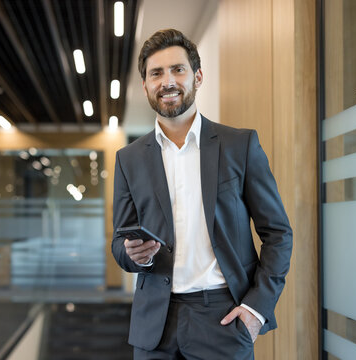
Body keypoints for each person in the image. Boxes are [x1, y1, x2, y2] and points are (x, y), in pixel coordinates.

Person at [112, 29, 293, 360]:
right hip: (154, 325)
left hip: (222, 319)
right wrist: (133, 254)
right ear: (145, 86)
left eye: (178, 70)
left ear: (197, 77)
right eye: (156, 73)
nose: (167, 81)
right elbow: (119, 244)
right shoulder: (129, 158)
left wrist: (257, 308)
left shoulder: (240, 145)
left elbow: (278, 233)